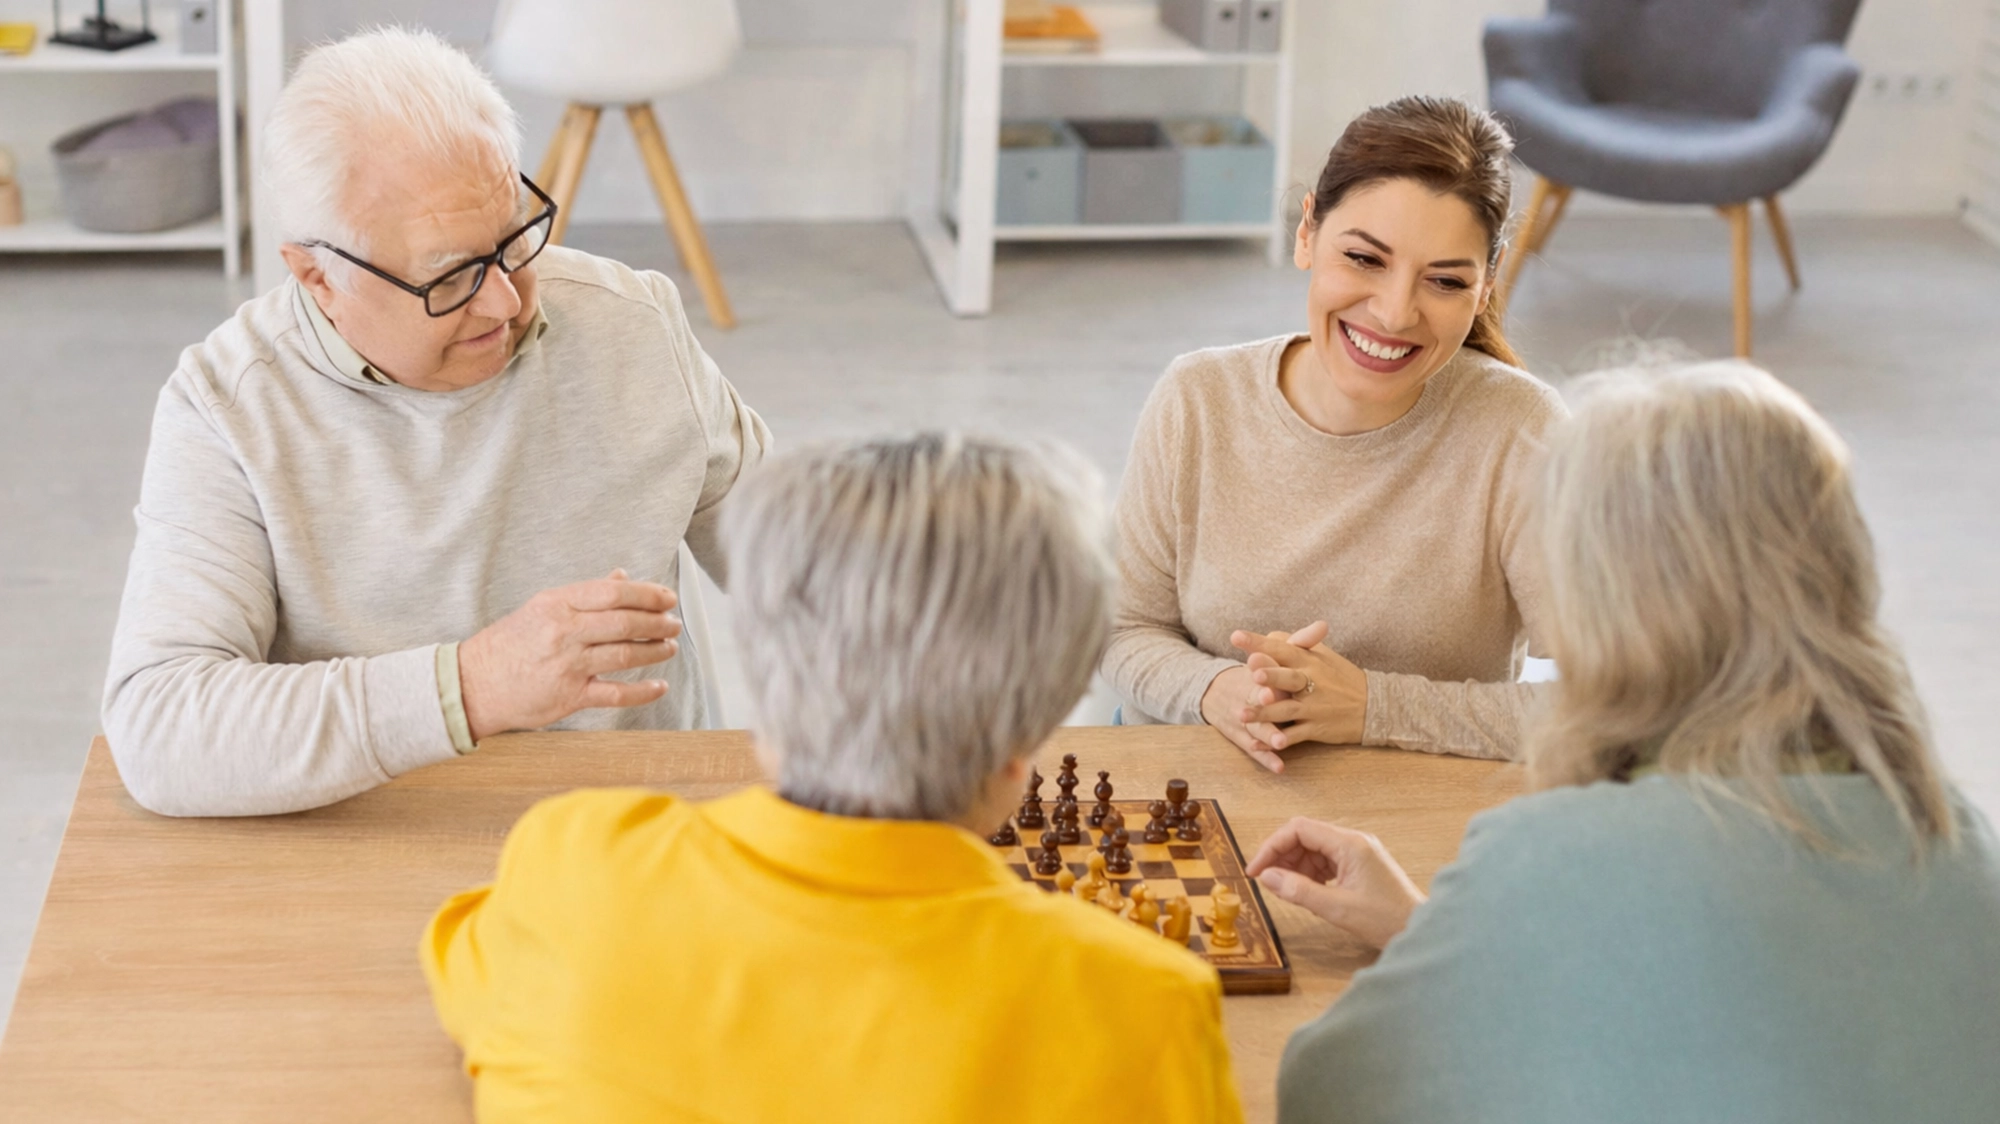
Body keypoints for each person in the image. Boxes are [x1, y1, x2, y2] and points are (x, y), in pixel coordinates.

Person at [1253, 362, 2000, 1123]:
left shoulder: (1559, 851)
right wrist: (1443, 934)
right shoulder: (1960, 838)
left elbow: (1325, 1093)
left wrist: (1479, 926)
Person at [421, 433, 1243, 1124]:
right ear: (1026, 737)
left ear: (767, 664)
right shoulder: (1144, 1004)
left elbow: (470, 987)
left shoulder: (573, 865)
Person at [100, 28, 769, 816]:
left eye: (512, 240)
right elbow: (163, 731)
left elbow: (814, 575)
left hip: (643, 834)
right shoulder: (227, 407)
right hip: (384, 840)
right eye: (450, 275)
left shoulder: (634, 324)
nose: (507, 302)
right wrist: (472, 687)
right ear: (317, 275)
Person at [1102, 96, 1565, 769]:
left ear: (1487, 285)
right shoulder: (1196, 398)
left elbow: (1614, 702)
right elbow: (1124, 630)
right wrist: (1217, 689)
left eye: (1443, 281)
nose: (1394, 312)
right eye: (1365, 259)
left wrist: (1373, 708)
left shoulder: (1524, 432)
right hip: (1194, 795)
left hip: (1413, 823)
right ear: (1307, 234)